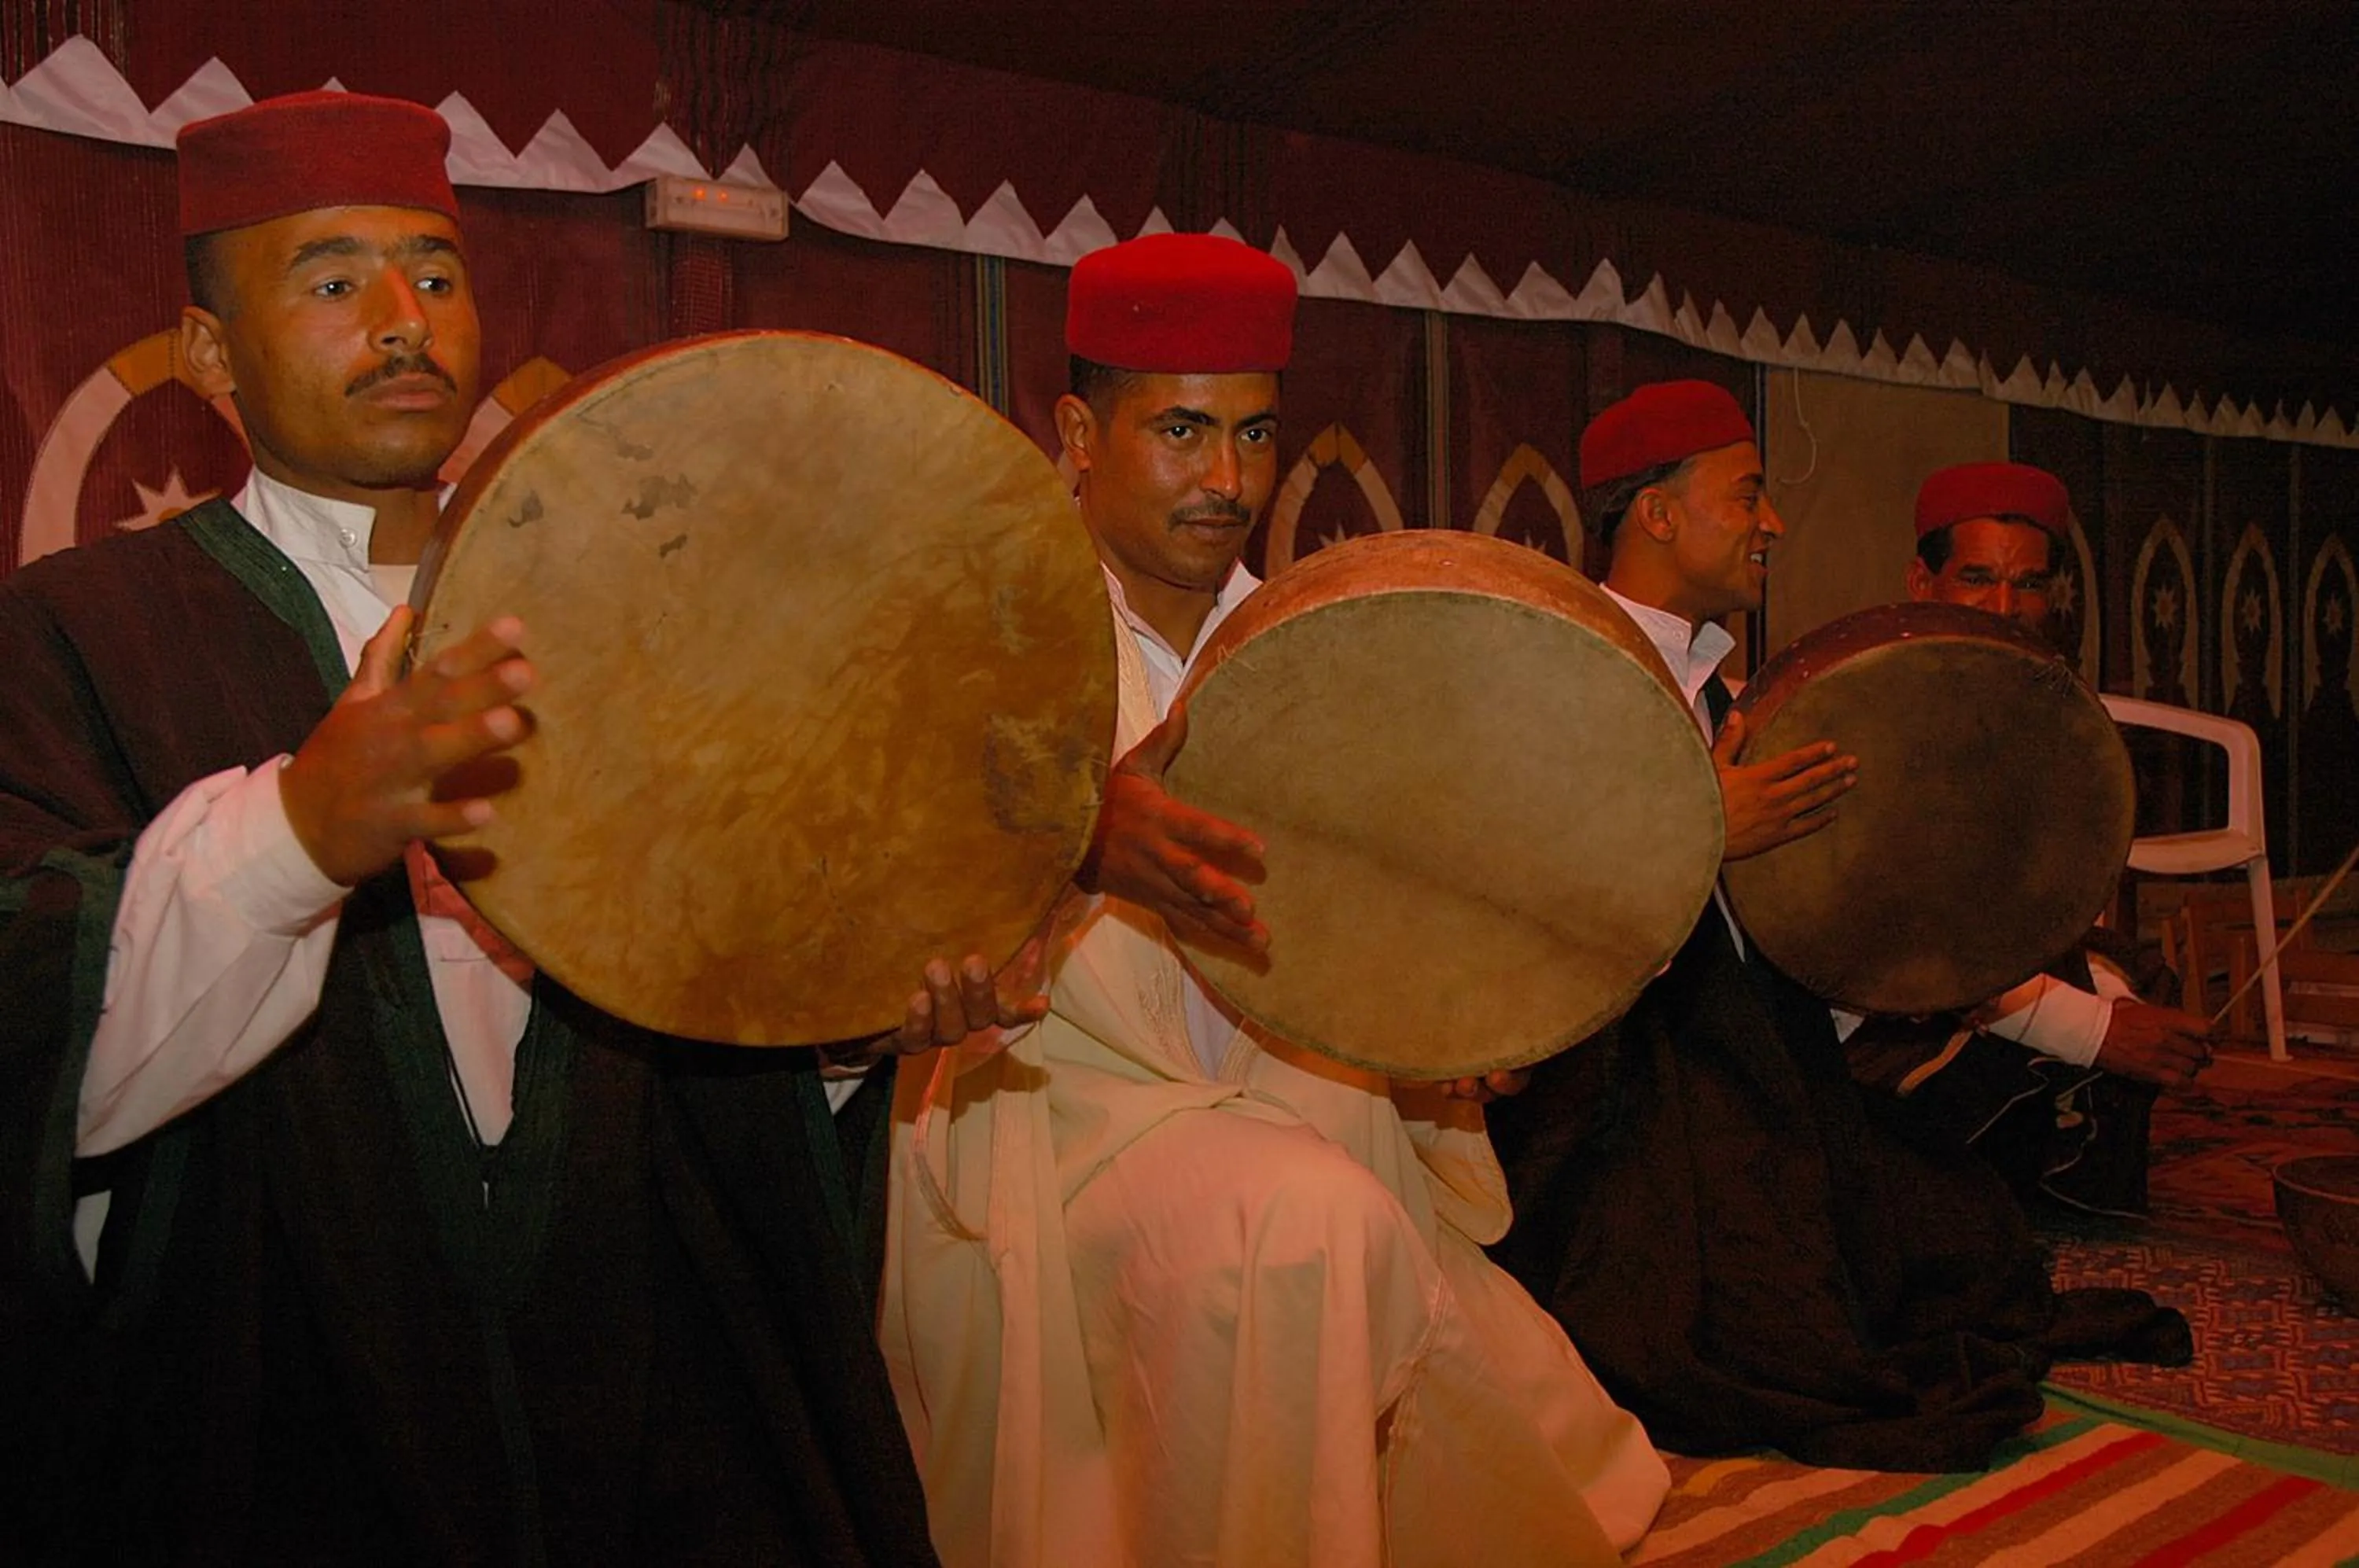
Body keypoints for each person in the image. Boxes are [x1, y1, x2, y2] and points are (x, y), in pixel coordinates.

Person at [0, 90, 1031, 1564]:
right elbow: (35, 1025)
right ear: (212, 354)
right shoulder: (82, 635)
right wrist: (301, 831)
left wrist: (864, 1026)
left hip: (635, 1392)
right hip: (272, 1406)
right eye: (333, 279)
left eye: (433, 271)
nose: (403, 320)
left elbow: (717, 1000)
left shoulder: (633, 617)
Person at [879, 233, 1668, 1568]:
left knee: (1377, 1243)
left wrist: (1452, 1034)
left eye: (1255, 432)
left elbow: (1381, 914)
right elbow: (888, 929)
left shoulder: (1315, 637)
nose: (1229, 479)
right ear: (1079, 428)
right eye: (1182, 429)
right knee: (1301, 1228)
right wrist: (1073, 847)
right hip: (1053, 1119)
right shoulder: (979, 633)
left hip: (1306, 1089)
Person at [1486, 383, 2190, 1474]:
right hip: (1627, 1094)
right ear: (1659, 513)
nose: (1772, 524)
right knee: (1759, 1332)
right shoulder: (1564, 665)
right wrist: (1701, 834)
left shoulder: (1719, 688)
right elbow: (1520, 902)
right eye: (1749, 495)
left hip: (1752, 1057)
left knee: (1965, 1241)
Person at [1842, 461, 2213, 1213]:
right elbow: (1890, 934)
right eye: (1977, 577)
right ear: (1924, 582)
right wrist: (2087, 1028)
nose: (2007, 606)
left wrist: (2108, 1003)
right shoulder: (1867, 708)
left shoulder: (2048, 708)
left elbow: (2052, 900)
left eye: (2030, 584)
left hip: (2002, 966)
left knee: (2141, 985)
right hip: (1885, 995)